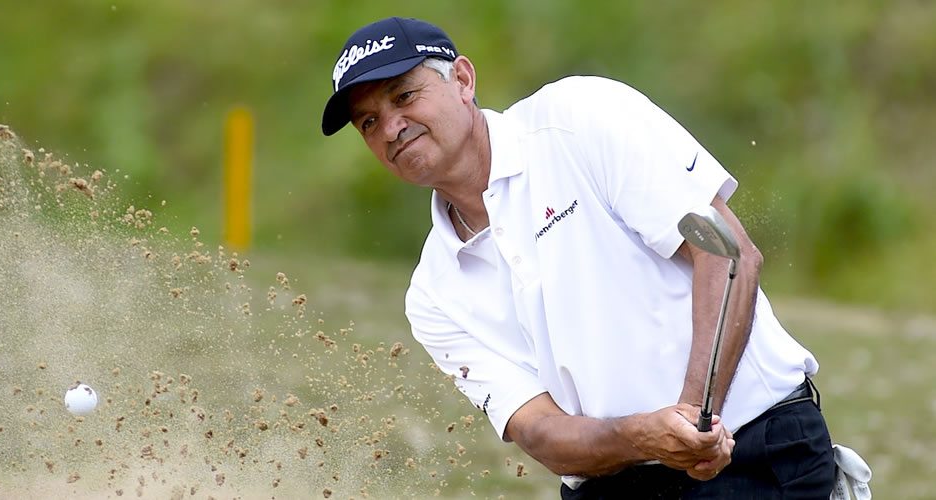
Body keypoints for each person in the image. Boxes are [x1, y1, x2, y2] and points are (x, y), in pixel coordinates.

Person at [321, 17, 836, 499]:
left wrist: (694, 419)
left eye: (404, 96)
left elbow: (726, 254)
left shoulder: (578, 118)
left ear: (462, 79)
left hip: (755, 451)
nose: (391, 128)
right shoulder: (433, 295)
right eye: (369, 122)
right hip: (610, 485)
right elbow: (541, 432)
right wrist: (647, 437)